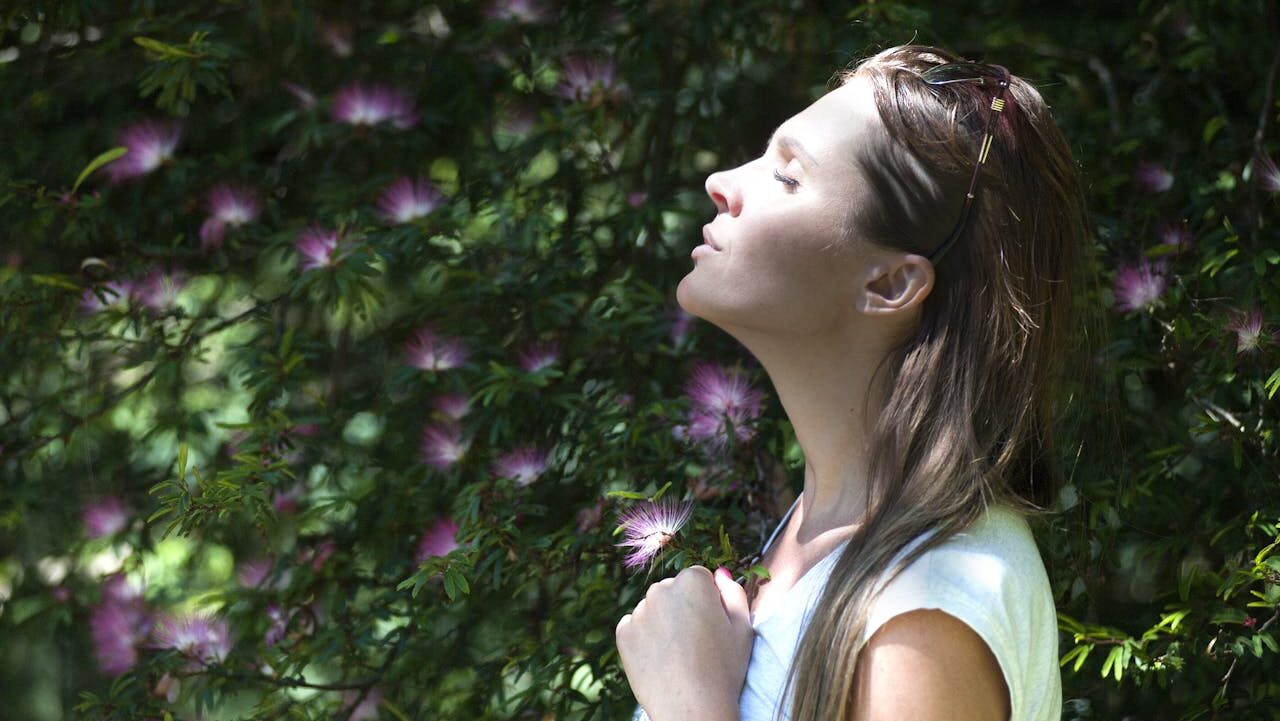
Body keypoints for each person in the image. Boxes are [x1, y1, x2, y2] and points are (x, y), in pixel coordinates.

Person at [615, 43, 1090, 721]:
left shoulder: (926, 610)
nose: (723, 180)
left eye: (787, 176)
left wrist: (687, 703)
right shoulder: (820, 536)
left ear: (891, 283)